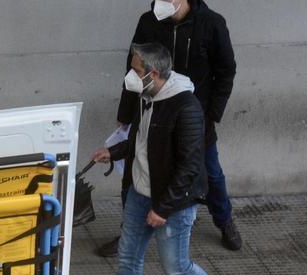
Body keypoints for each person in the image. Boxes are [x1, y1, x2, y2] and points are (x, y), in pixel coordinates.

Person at [76, 42, 237, 275]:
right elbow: (141, 141)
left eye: (136, 71)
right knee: (128, 259)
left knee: (177, 268)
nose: (131, 76)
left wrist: (163, 208)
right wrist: (114, 152)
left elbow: (189, 167)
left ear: (153, 73)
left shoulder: (186, 107)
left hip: (172, 202)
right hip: (140, 192)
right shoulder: (148, 97)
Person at [96, 0, 240, 258]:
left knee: (211, 172)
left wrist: (210, 115)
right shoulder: (149, 22)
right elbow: (132, 69)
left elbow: (226, 71)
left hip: (193, 116)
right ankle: (129, 231)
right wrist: (126, 114)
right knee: (134, 172)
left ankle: (224, 219)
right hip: (151, 111)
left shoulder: (211, 24)